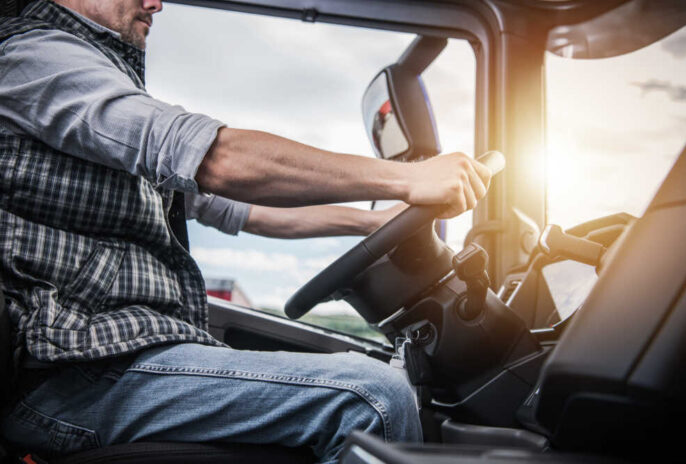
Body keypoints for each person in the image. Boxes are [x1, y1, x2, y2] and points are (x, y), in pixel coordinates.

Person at [0, 1, 491, 462]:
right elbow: (218, 160)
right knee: (373, 397)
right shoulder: (34, 56)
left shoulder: (99, 90)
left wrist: (371, 222)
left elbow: (247, 209)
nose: (156, 3)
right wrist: (407, 178)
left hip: (115, 363)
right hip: (75, 378)